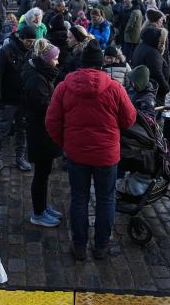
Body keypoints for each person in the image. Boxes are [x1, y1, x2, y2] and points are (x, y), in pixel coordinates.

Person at [46, 40, 136, 261]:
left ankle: (79, 246)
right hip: (106, 154)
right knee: (106, 199)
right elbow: (129, 118)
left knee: (79, 198)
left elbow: (52, 122)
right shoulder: (115, 87)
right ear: (101, 64)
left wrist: (66, 143)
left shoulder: (64, 86)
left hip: (77, 153)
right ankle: (101, 246)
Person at [21, 39, 63, 227]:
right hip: (39, 132)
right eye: (55, 59)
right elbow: (43, 107)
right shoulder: (36, 78)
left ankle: (43, 206)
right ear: (46, 60)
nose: (57, 62)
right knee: (40, 173)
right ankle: (38, 213)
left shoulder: (41, 73)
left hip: (43, 130)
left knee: (44, 172)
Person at [0, 26, 35, 173]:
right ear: (21, 38)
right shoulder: (5, 51)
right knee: (1, 130)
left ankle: (20, 157)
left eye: (33, 41)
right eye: (28, 41)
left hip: (24, 99)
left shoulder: (32, 51)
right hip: (8, 99)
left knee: (23, 130)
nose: (31, 44)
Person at [132, 26, 170, 106]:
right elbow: (157, 74)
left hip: (145, 87)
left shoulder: (140, 46)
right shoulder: (152, 53)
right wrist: (166, 87)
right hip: (155, 91)